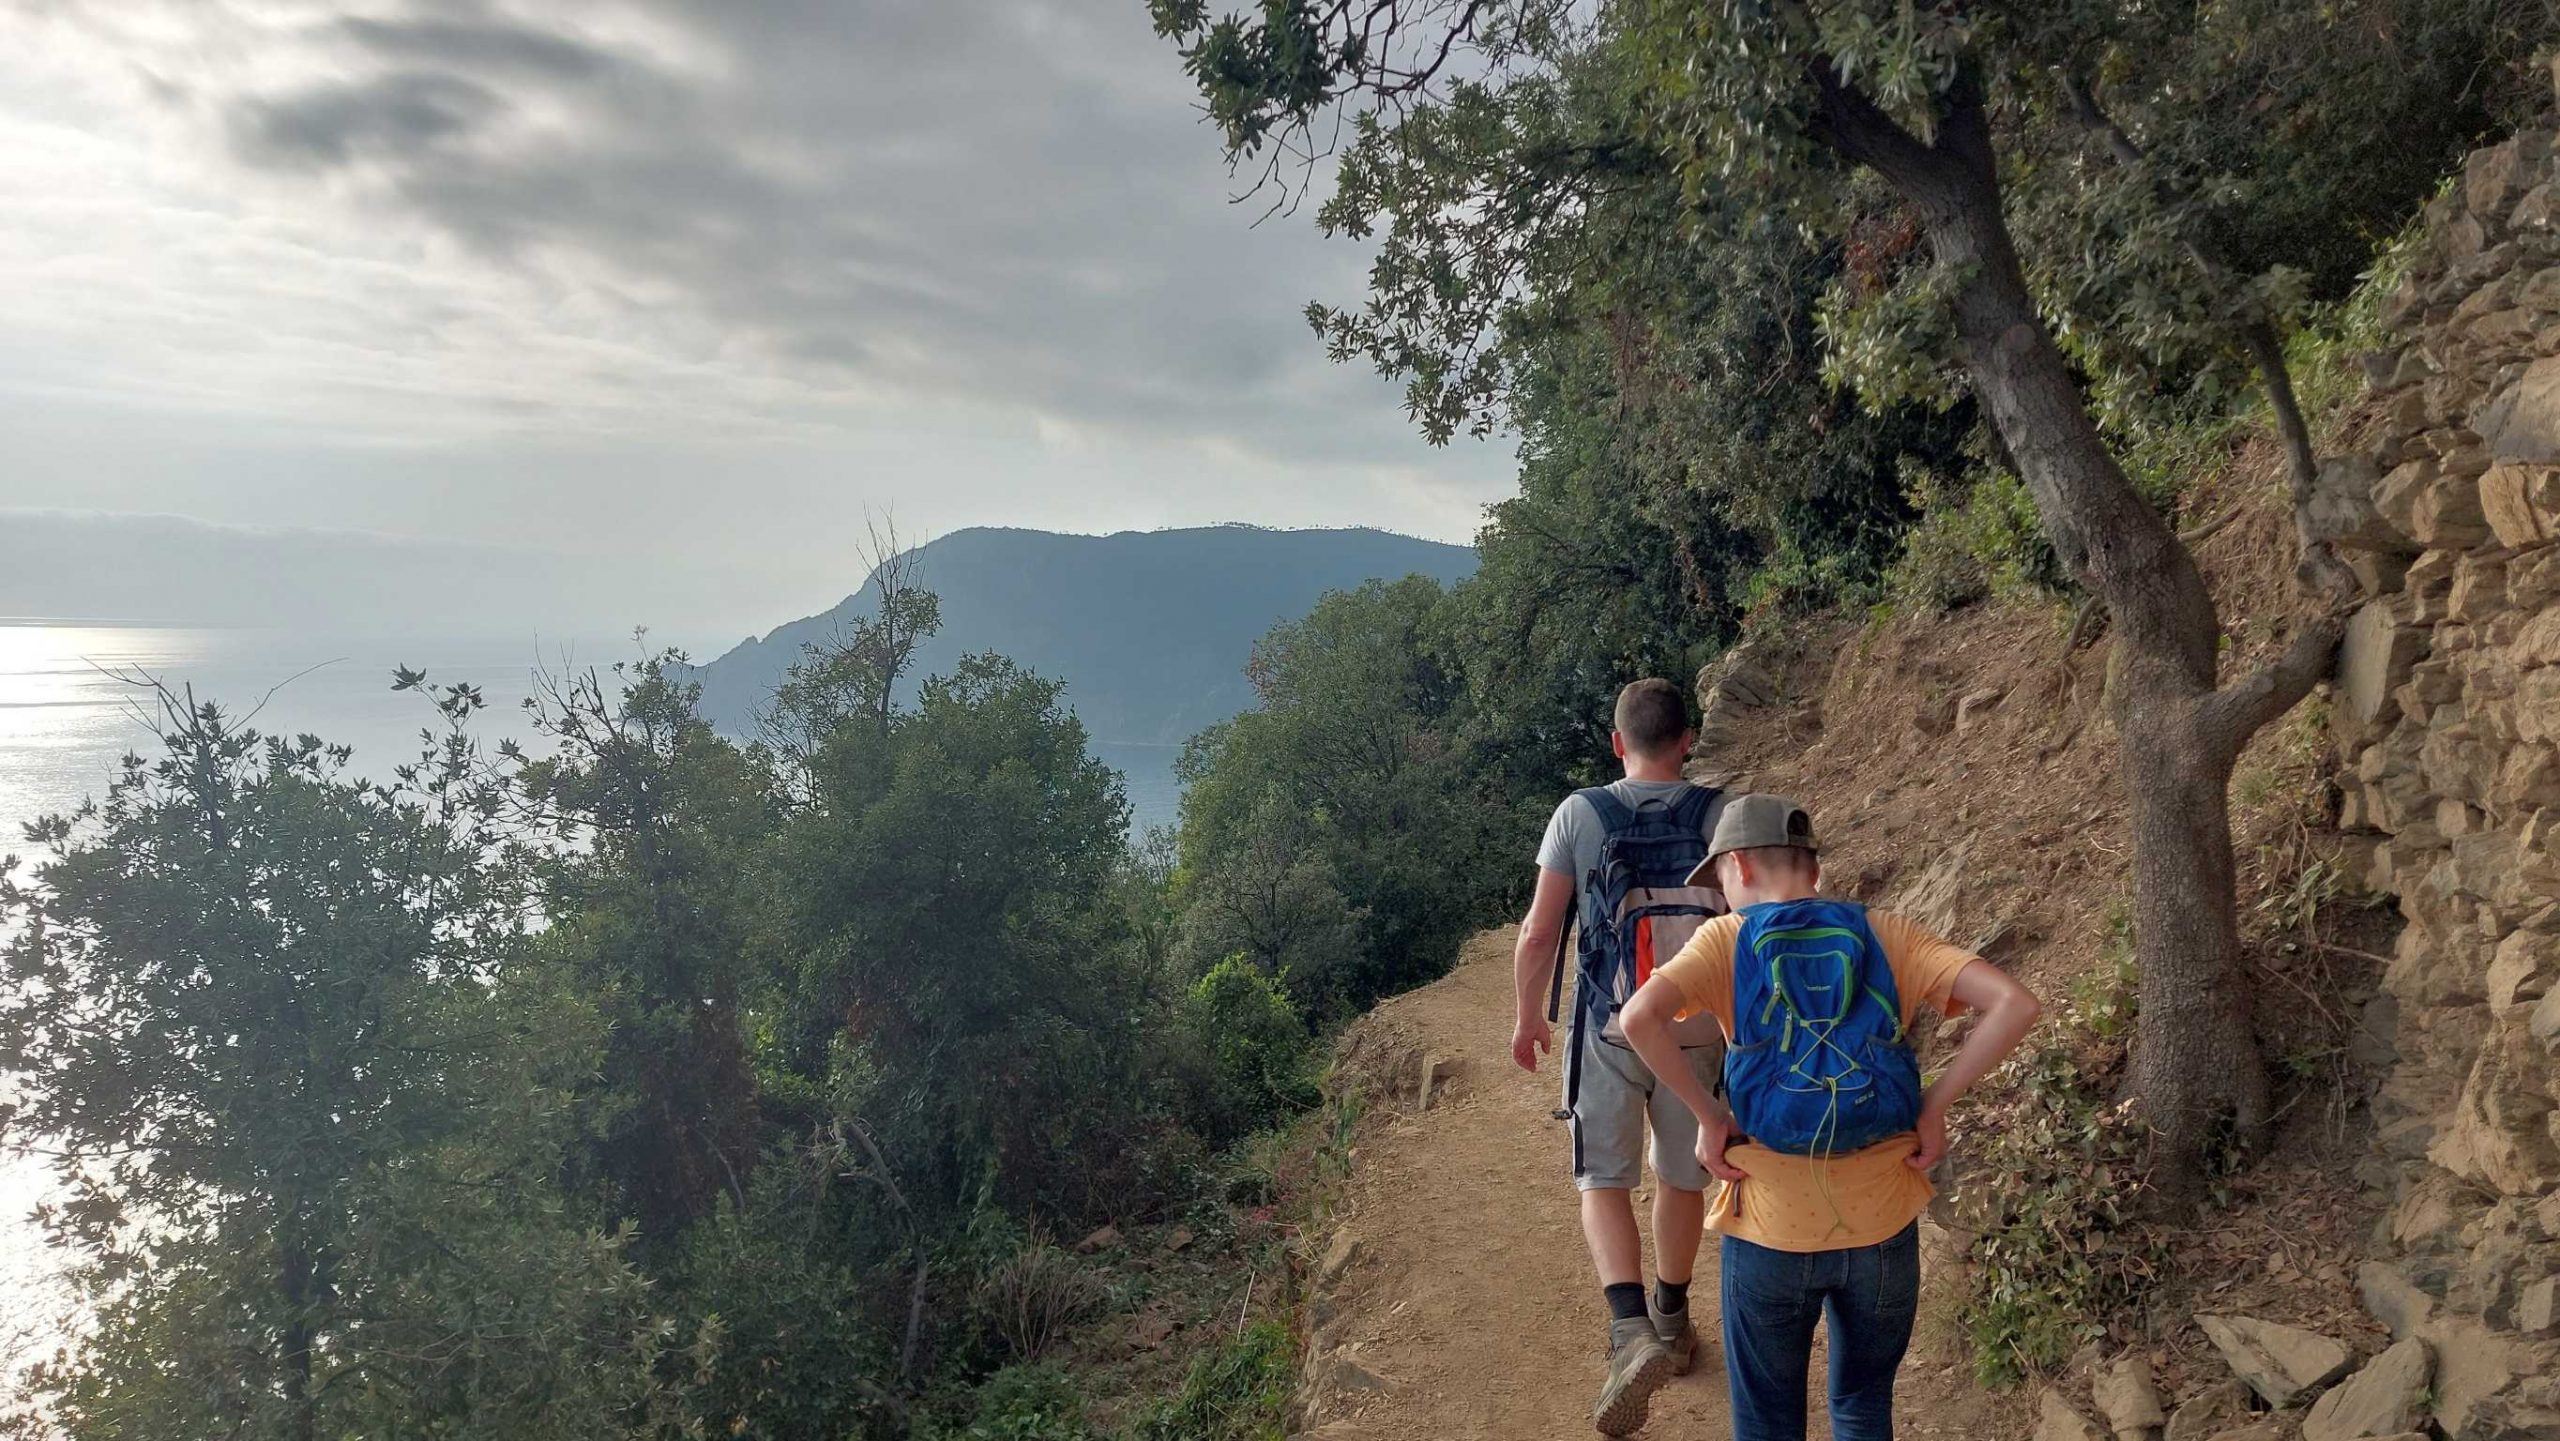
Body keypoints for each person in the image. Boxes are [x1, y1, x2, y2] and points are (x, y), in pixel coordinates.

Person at [1618, 794, 2040, 1441]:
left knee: (1768, 1423)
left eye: (1722, 880)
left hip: (1770, 1225)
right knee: (1863, 1408)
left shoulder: (1727, 939)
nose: (1724, 896)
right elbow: (2015, 1003)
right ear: (1813, 868)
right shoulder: (1887, 933)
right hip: (1883, 1226)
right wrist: (1935, 1104)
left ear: (1740, 866)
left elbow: (1638, 1017)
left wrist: (1709, 1115)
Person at [1511, 677, 1730, 1436]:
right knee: (1681, 1174)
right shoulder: (1723, 815)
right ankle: (1673, 1315)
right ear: (1687, 740)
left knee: (1603, 1178)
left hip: (1609, 1028)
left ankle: (1629, 1328)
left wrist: (1528, 1017)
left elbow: (1540, 932)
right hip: (1699, 1031)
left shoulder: (1581, 814)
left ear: (1616, 743)